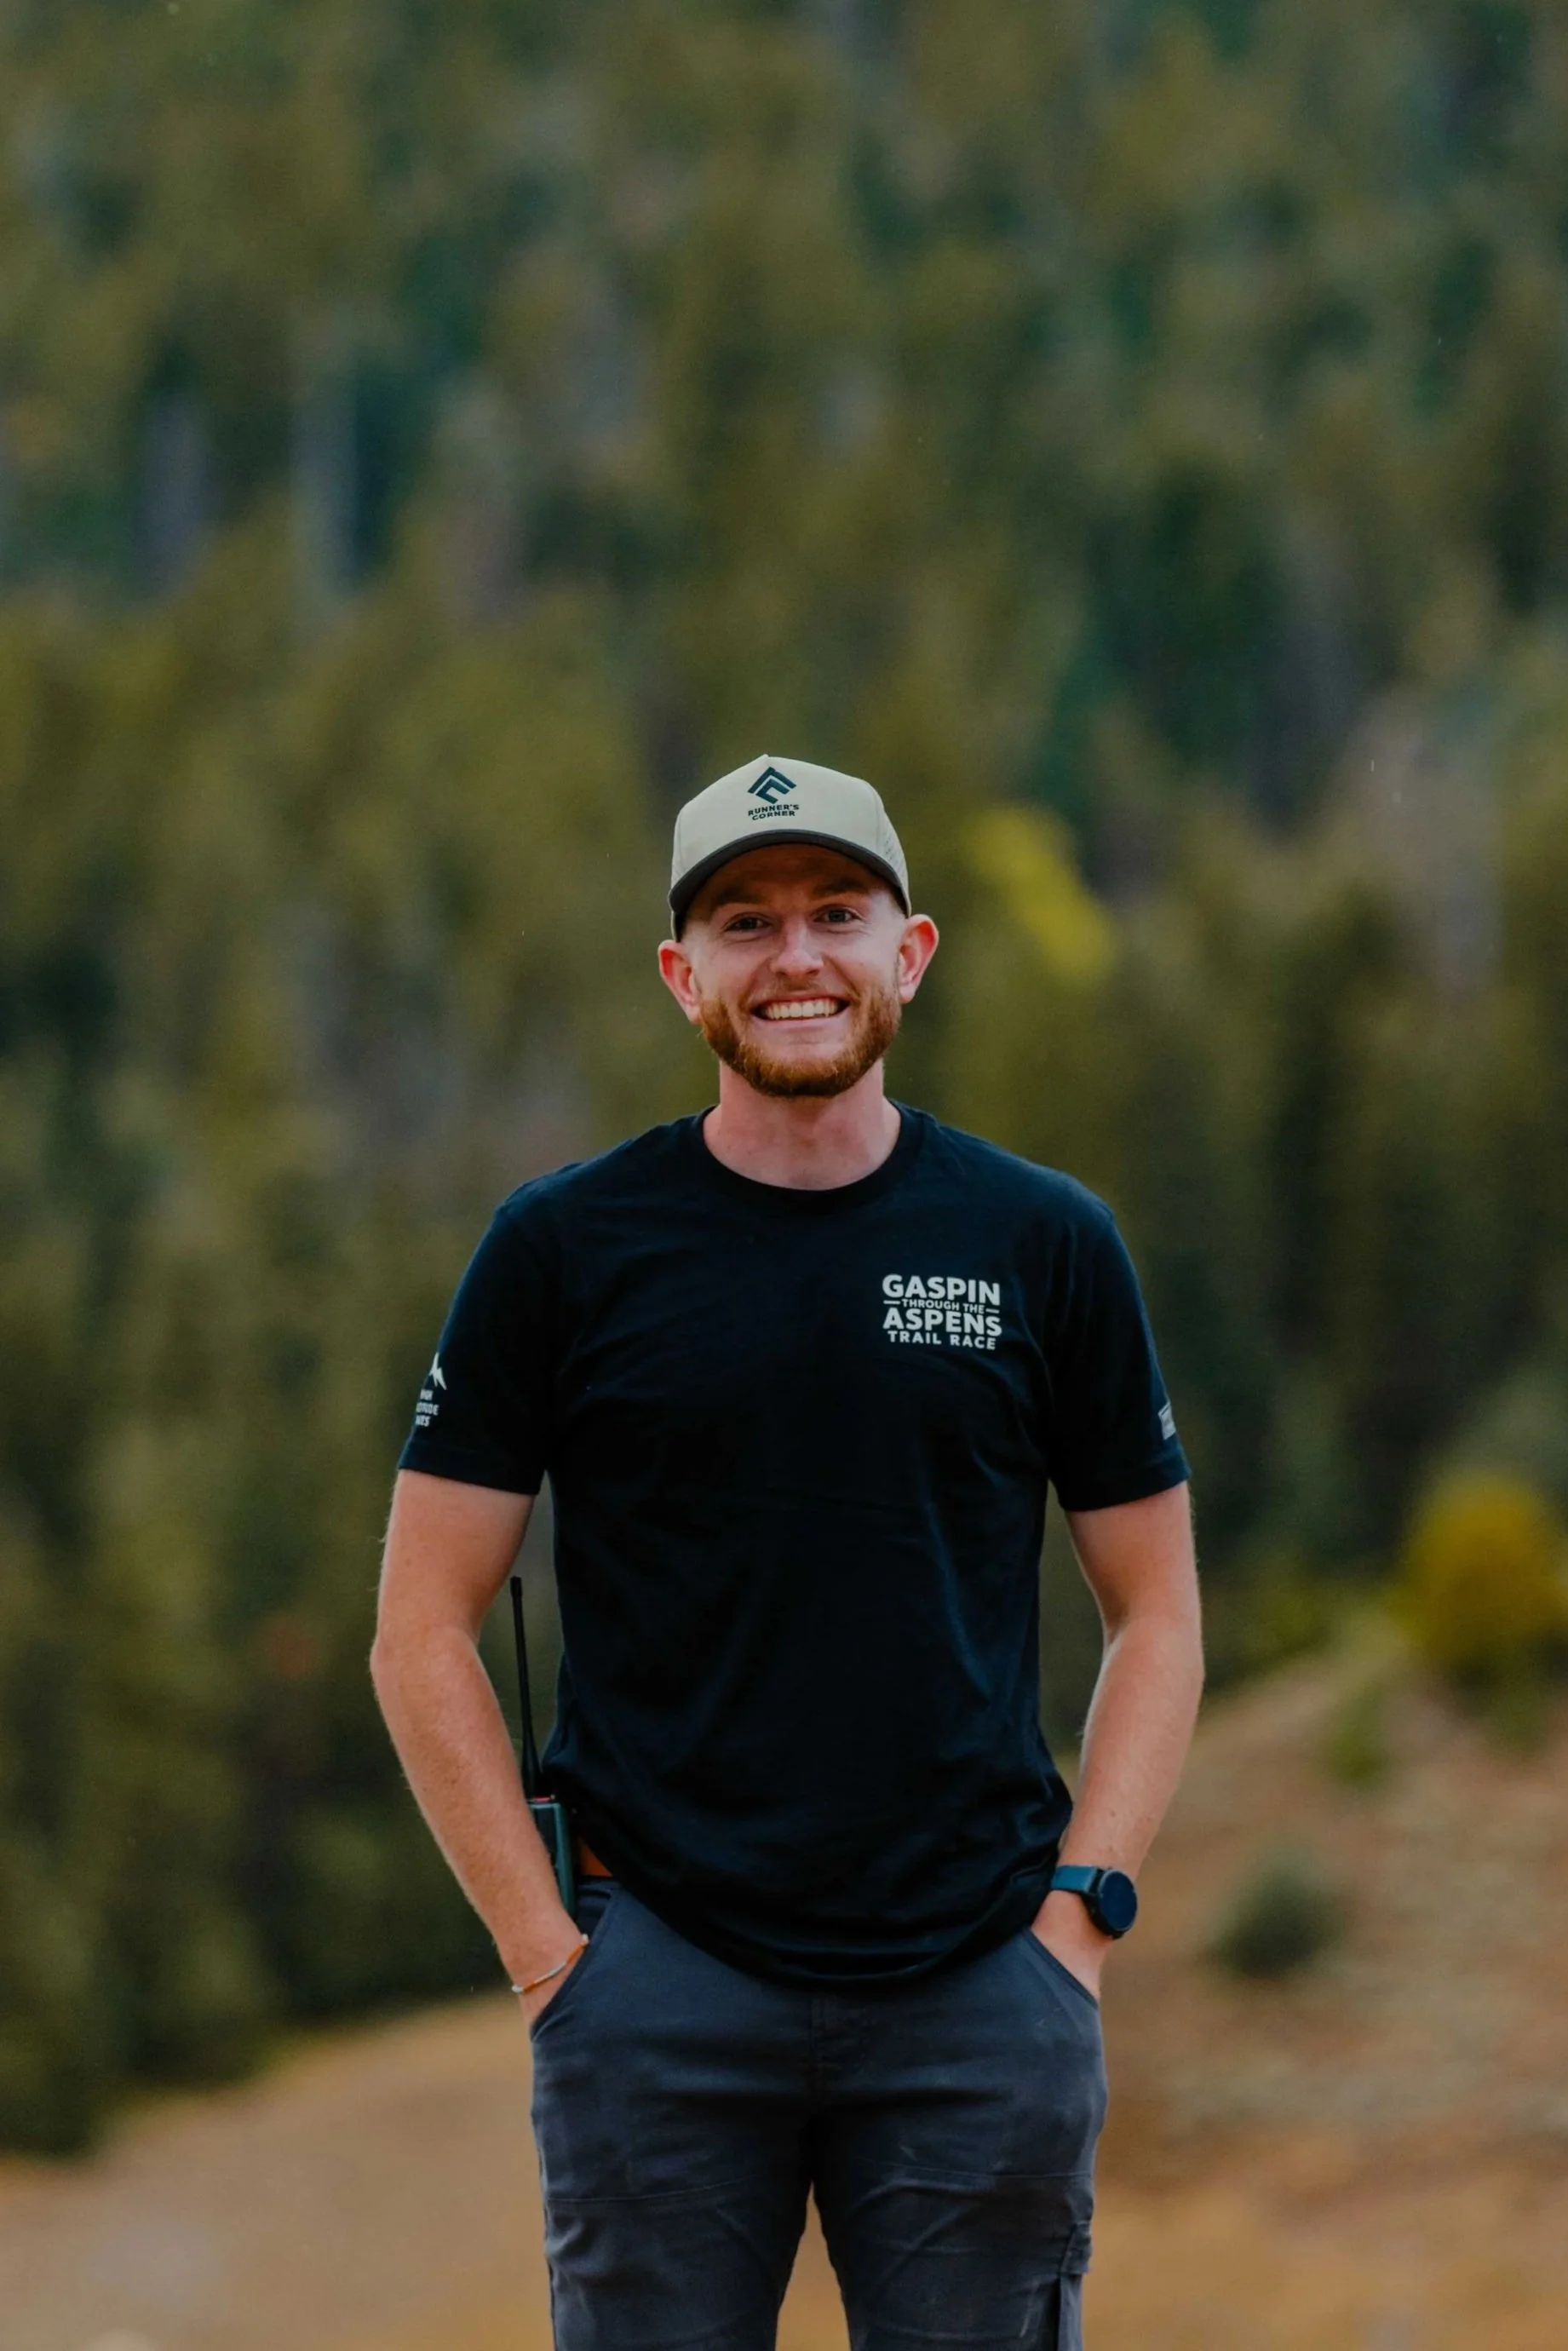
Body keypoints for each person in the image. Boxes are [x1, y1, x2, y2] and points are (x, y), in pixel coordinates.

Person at [371, 754, 1203, 2351]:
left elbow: (1156, 1613)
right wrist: (551, 1961)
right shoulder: (563, 1250)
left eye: (838, 911)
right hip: (658, 1989)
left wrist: (1079, 1918)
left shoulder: (1044, 1244)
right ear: (687, 974)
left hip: (979, 1987)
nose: (797, 956)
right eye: (745, 922)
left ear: (914, 949)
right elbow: (419, 1629)